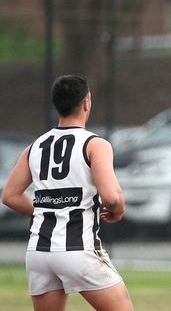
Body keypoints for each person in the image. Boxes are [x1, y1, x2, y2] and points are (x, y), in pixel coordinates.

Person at [1, 75, 133, 311]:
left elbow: (9, 196)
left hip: (39, 252)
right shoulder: (95, 144)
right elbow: (111, 197)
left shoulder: (36, 146)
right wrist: (118, 209)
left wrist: (46, 210)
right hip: (77, 249)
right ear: (86, 103)